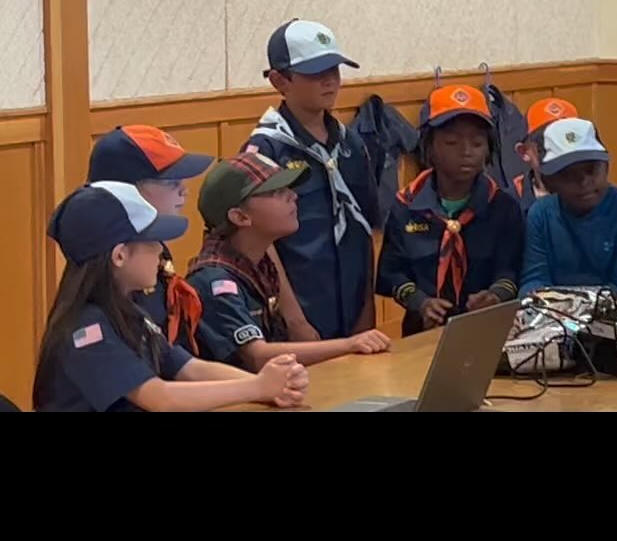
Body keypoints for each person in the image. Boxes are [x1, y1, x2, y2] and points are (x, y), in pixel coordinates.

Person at [33, 183, 308, 413]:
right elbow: (159, 397)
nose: (161, 251)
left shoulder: (130, 309)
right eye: (153, 242)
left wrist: (270, 385)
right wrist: (258, 387)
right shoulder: (86, 329)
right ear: (120, 255)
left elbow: (188, 368)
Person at [187, 154, 393, 370]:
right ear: (240, 217)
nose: (293, 196)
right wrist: (349, 345)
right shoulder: (214, 280)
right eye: (277, 192)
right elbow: (257, 356)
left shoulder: (259, 263)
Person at [246, 20, 381, 341]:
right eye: (315, 73)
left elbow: (364, 228)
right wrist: (295, 321)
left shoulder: (351, 144)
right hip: (300, 313)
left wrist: (367, 310)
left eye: (334, 70)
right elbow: (261, 244)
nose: (330, 81)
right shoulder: (266, 150)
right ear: (281, 80)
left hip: (353, 310)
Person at [377, 85, 525, 336]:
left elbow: (511, 269)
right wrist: (420, 302)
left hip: (488, 332)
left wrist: (495, 295)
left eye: (477, 143)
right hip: (421, 332)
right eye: (452, 142)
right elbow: (392, 272)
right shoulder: (407, 205)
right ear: (429, 147)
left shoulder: (503, 206)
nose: (466, 152)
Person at [520, 119, 617, 308]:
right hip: (564, 319)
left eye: (591, 170)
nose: (584, 182)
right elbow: (534, 280)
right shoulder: (540, 214)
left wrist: (565, 307)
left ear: (606, 168)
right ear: (550, 182)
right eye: (569, 175)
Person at [87, 125, 213, 352]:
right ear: (128, 191)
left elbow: (173, 359)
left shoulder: (154, 248)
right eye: (171, 182)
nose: (184, 191)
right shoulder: (116, 271)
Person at [518, 98, 579, 199]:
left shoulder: (600, 198)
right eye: (547, 140)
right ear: (524, 152)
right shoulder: (509, 204)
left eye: (568, 137)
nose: (559, 147)